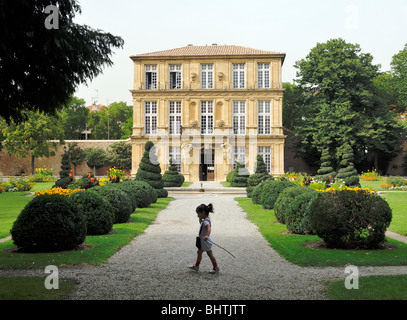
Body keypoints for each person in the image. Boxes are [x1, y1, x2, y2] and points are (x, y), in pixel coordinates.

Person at [188, 203, 219, 274]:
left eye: (198, 213)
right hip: (203, 241)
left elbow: (208, 229)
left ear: (203, 213)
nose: (197, 215)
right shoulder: (205, 219)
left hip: (206, 241)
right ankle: (196, 266)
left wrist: (207, 236)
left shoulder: (206, 221)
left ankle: (215, 267)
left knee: (210, 254)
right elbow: (201, 223)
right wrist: (200, 218)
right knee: (199, 252)